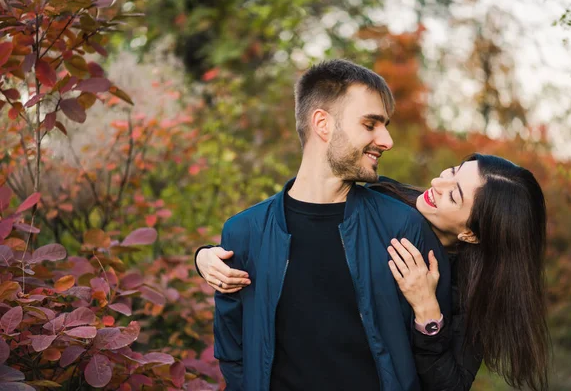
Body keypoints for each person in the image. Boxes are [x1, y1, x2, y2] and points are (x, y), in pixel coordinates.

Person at [197, 59, 453, 391]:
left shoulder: (401, 227)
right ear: (323, 123)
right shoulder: (244, 232)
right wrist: (201, 256)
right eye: (370, 124)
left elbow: (434, 359)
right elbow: (232, 350)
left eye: (385, 125)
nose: (387, 140)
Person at [198, 154, 551, 391]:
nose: (436, 184)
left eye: (454, 195)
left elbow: (450, 385)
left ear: (471, 233)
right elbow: (290, 228)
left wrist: (428, 312)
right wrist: (206, 258)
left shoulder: (476, 289)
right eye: (453, 172)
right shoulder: (383, 201)